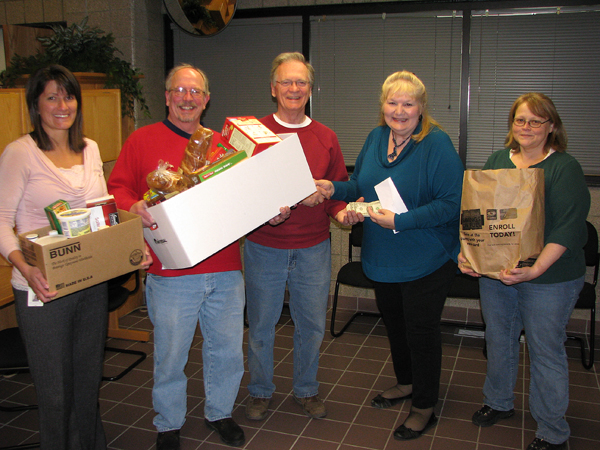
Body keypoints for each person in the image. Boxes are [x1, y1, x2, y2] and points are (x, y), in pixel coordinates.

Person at [316, 71, 464, 440]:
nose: (399, 110)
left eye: (408, 103)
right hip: (383, 257)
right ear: (383, 105)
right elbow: (362, 184)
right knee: (395, 325)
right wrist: (335, 187)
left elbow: (452, 203)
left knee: (421, 331)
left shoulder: (437, 144)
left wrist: (401, 219)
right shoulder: (376, 137)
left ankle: (425, 404)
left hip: (427, 258)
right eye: (392, 102)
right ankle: (407, 382)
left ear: (421, 108)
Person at [107, 64, 246, 449]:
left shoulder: (224, 146)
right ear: (167, 97)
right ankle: (168, 422)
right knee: (170, 354)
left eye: (196, 92)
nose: (188, 98)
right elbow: (115, 190)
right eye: (180, 91)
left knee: (227, 350)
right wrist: (132, 205)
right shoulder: (141, 141)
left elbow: (242, 198)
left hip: (225, 268)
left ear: (206, 99)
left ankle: (220, 412)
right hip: (170, 271)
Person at [0, 64, 125, 449]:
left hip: (89, 283)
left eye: (68, 95)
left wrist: (124, 246)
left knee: (87, 384)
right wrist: (25, 266)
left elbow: (102, 211)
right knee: (55, 392)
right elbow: (2, 221)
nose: (61, 104)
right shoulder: (20, 153)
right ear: (36, 104)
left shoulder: (90, 149)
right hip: (43, 288)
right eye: (51, 96)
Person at [458, 93, 590, 450]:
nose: (527, 127)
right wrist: (468, 254)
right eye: (520, 120)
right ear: (511, 124)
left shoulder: (565, 168)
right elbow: (478, 214)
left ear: (551, 127)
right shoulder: (498, 160)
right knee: (498, 341)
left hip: (551, 277)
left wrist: (534, 271)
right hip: (499, 276)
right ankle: (499, 402)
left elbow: (569, 228)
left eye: (536, 121)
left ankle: (552, 430)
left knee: (545, 350)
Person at [244, 52, 349, 422]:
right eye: (286, 82)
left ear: (310, 89)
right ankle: (259, 390)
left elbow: (336, 192)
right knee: (260, 324)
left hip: (314, 248)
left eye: (300, 82)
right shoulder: (252, 134)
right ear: (273, 88)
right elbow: (238, 193)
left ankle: (306, 390)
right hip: (263, 247)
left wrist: (343, 212)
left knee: (311, 325)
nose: (293, 88)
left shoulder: (326, 137)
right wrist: (264, 211)